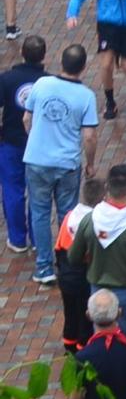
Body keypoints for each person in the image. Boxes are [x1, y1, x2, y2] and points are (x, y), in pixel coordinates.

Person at [24, 42, 98, 284]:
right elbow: (89, 136)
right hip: (67, 163)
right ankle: (68, 263)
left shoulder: (42, 84)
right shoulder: (86, 96)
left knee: (40, 212)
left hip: (36, 161)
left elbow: (27, 118)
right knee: (67, 215)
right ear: (83, 67)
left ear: (61, 62)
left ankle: (43, 267)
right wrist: (90, 163)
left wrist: (35, 140)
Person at [69, 163, 126, 350]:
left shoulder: (90, 220)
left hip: (98, 294)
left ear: (107, 187)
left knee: (102, 345)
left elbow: (73, 257)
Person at [0, 34, 45, 247]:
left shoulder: (7, 79)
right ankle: (38, 239)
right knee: (38, 192)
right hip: (38, 144)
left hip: (11, 141)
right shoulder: (48, 82)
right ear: (43, 56)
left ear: (22, 53)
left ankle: (18, 239)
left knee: (12, 190)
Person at [54, 177, 104, 354]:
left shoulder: (70, 216)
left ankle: (69, 346)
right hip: (83, 279)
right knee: (85, 319)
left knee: (70, 315)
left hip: (65, 277)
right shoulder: (94, 222)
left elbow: (59, 245)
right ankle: (83, 352)